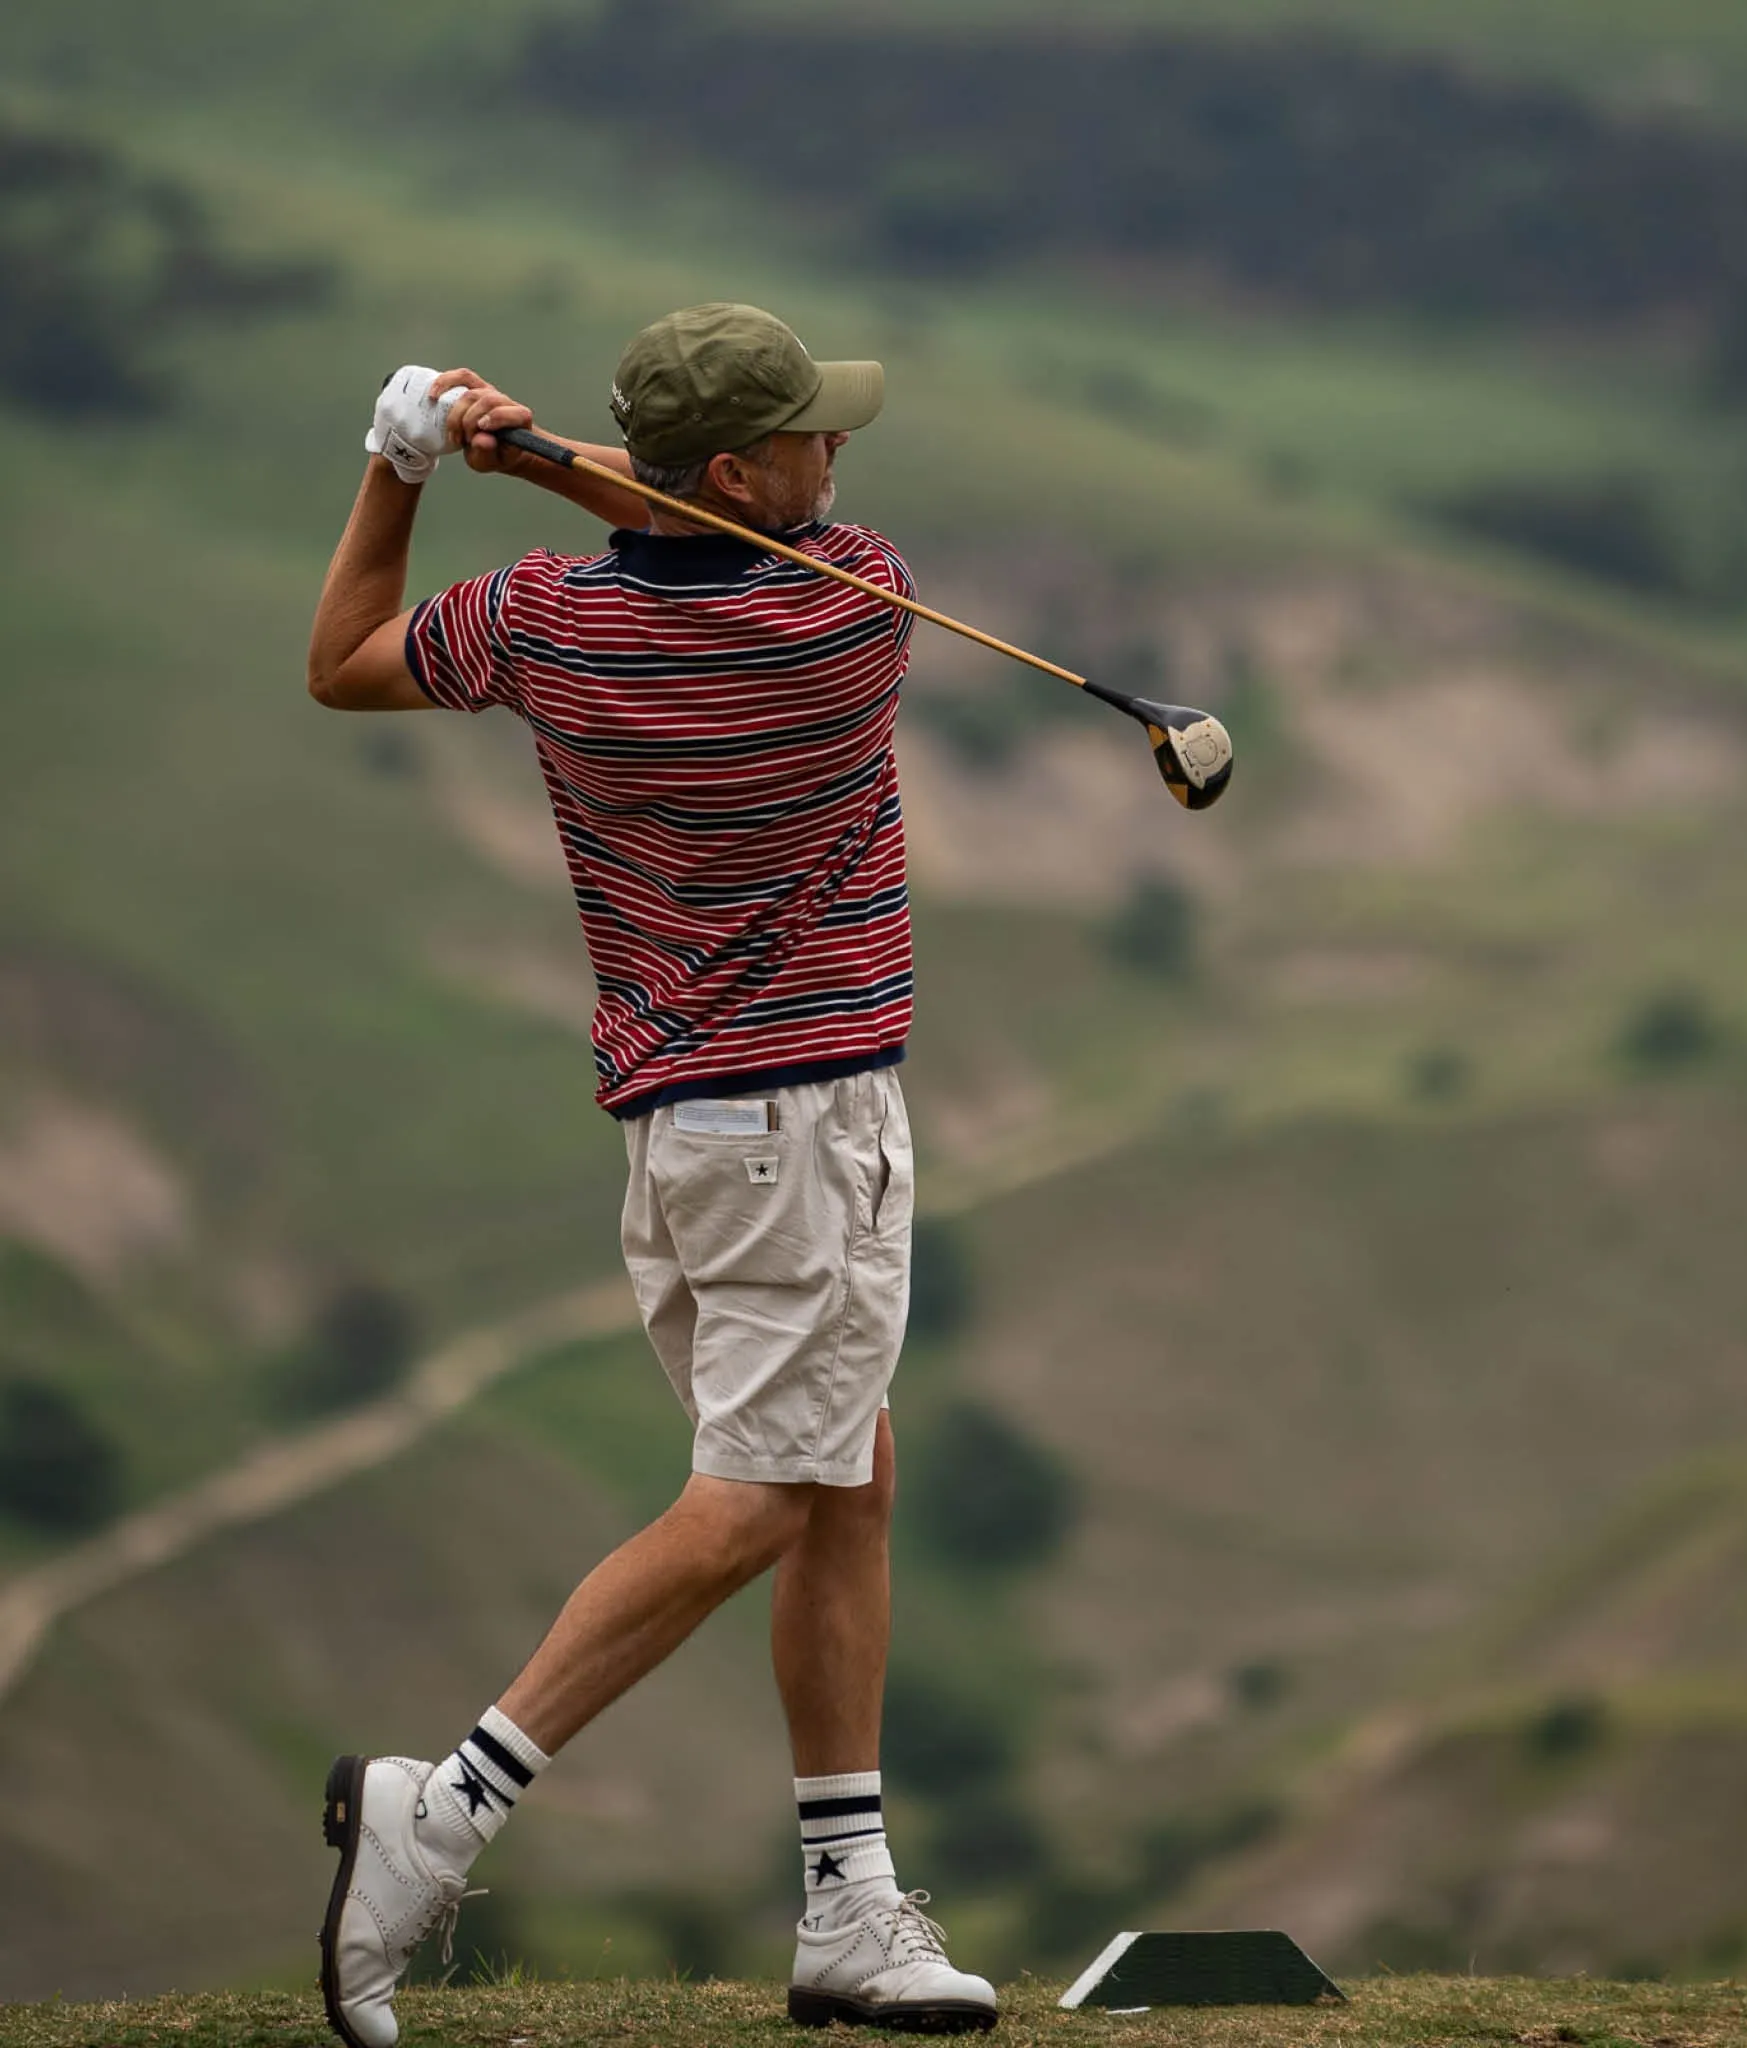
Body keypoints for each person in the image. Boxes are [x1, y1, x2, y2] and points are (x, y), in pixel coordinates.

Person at [304, 304, 997, 2042]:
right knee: (764, 1495)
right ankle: (440, 1813)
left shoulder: (548, 619)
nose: (840, 458)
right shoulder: (850, 608)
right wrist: (550, 459)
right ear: (751, 475)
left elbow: (348, 655)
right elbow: (727, 526)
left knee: (844, 1471)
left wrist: (411, 470)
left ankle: (848, 1902)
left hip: (684, 1134)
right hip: (811, 1128)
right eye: (810, 437)